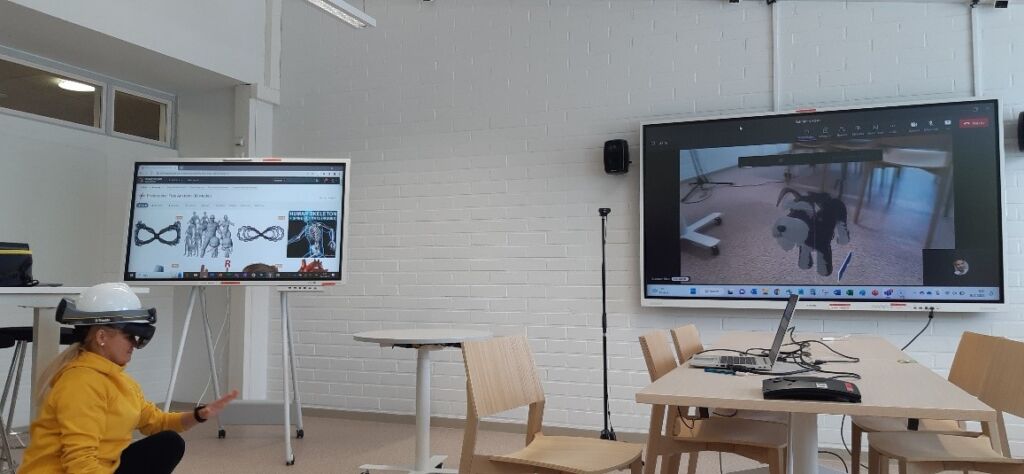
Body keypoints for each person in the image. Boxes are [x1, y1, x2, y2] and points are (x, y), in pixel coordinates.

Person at [19, 283, 238, 474]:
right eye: (129, 336)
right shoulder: (80, 384)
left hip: (104, 467)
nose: (134, 343)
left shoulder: (119, 380)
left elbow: (156, 422)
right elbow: (80, 462)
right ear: (101, 337)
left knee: (168, 443)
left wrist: (200, 415)